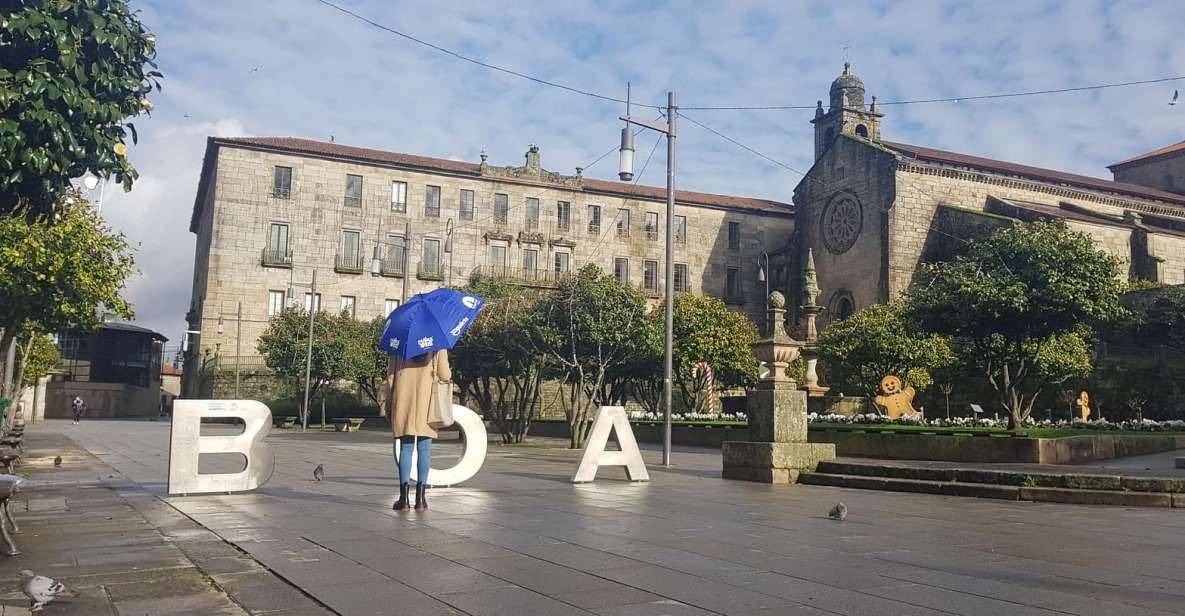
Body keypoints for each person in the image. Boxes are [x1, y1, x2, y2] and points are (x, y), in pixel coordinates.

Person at [387, 349, 450, 512]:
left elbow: (391, 377)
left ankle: (404, 500)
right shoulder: (437, 345)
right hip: (427, 401)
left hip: (403, 401)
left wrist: (387, 404)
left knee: (406, 448)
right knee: (425, 449)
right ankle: (421, 500)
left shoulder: (400, 343)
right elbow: (445, 375)